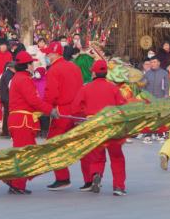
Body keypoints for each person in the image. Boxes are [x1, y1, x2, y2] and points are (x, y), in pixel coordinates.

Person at [72, 60, 128, 195]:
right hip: (111, 125)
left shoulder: (86, 88)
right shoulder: (113, 88)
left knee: (97, 156)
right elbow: (122, 106)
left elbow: (75, 108)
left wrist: (85, 115)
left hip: (94, 125)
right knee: (117, 157)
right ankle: (119, 186)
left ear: (93, 73)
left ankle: (96, 174)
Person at [5, 51, 55, 194]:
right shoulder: (24, 79)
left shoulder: (19, 78)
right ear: (27, 65)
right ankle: (16, 184)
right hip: (23, 121)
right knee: (25, 154)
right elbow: (33, 100)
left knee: (24, 153)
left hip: (20, 120)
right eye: (32, 63)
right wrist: (49, 110)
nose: (33, 65)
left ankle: (15, 181)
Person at [42, 41, 84, 190]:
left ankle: (62, 178)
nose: (46, 55)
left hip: (61, 111)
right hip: (77, 110)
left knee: (54, 144)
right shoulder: (74, 67)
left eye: (48, 53)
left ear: (55, 54)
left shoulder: (54, 70)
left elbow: (51, 93)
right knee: (82, 145)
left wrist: (45, 108)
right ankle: (90, 178)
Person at [143, 56, 170, 143]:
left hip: (160, 98)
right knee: (149, 117)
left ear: (158, 63)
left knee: (160, 117)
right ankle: (148, 135)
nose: (152, 64)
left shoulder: (164, 73)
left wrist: (166, 95)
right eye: (151, 62)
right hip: (149, 99)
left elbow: (167, 86)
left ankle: (161, 134)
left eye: (154, 62)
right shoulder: (147, 74)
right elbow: (143, 87)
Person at [0, 61, 16, 137]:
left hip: (5, 97)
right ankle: (7, 131)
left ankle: (5, 131)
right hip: (8, 97)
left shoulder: (7, 74)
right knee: (8, 115)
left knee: (7, 114)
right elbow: (10, 86)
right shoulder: (9, 75)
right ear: (11, 68)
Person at [32, 67, 49, 137]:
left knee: (44, 117)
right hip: (35, 102)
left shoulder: (47, 81)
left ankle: (45, 131)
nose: (36, 74)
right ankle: (37, 131)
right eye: (35, 72)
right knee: (36, 118)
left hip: (44, 102)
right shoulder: (32, 80)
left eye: (38, 72)